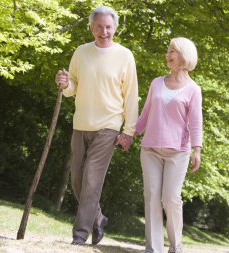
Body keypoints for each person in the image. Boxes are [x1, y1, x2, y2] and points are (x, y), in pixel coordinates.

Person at [54, 6, 139, 246]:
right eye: (99, 27)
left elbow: (131, 96)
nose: (104, 31)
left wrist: (128, 131)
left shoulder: (125, 56)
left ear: (115, 28)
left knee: (92, 180)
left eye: (108, 27)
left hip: (108, 126)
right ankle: (98, 218)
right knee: (78, 180)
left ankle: (80, 235)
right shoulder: (81, 52)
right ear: (91, 27)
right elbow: (72, 88)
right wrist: (63, 83)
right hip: (81, 124)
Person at [134, 37, 203, 253]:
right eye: (167, 50)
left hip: (178, 152)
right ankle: (153, 249)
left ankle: (175, 247)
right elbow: (145, 115)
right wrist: (129, 134)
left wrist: (197, 150)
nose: (167, 54)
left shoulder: (193, 89)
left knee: (170, 198)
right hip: (150, 149)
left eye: (172, 50)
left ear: (185, 56)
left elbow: (196, 121)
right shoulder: (156, 82)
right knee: (152, 197)